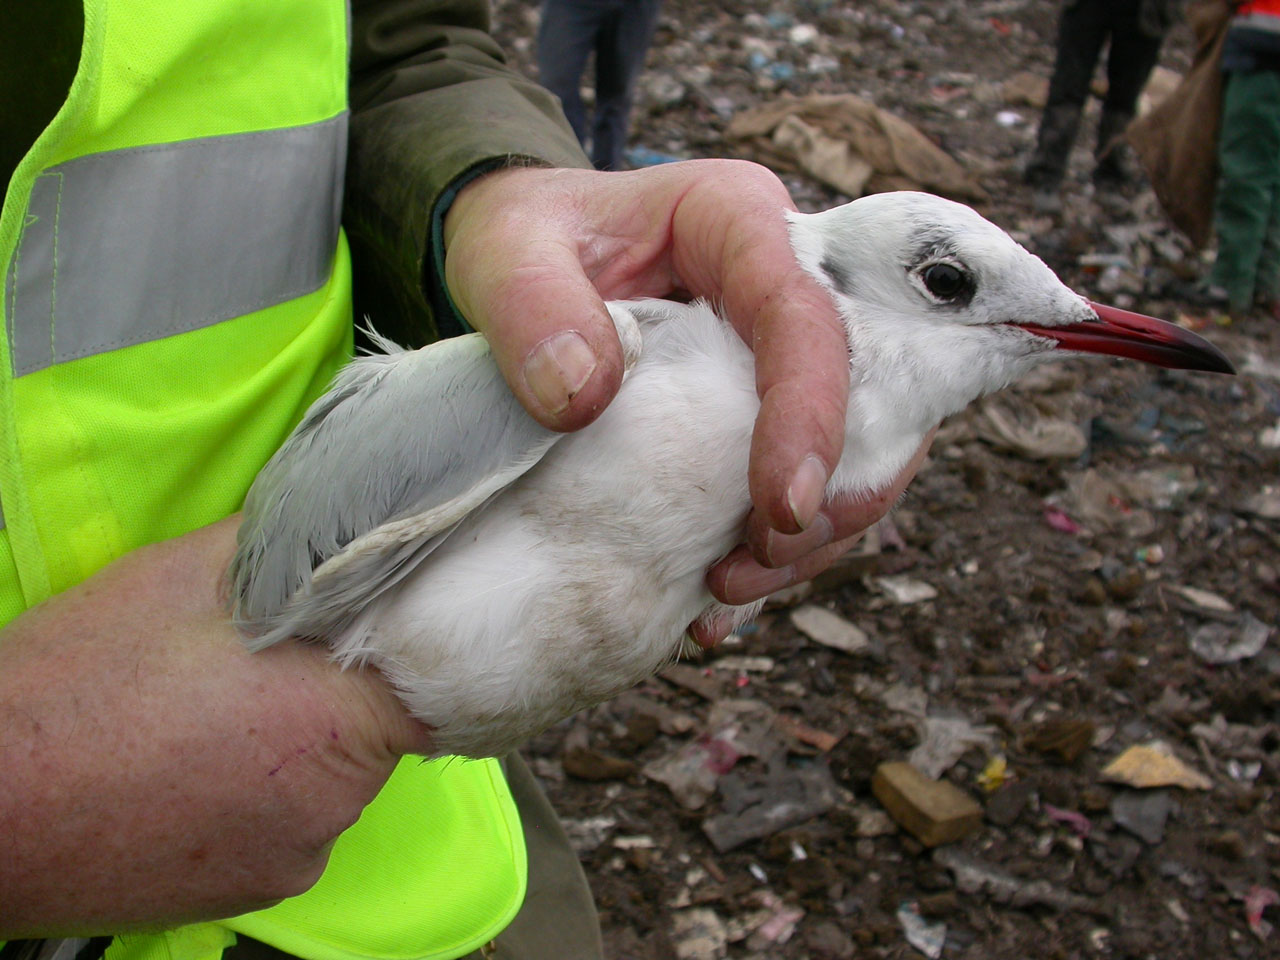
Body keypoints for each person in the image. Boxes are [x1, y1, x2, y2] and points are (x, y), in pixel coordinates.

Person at [0, 1, 928, 958]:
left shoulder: (682, 361)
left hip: (398, 853)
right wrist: (22, 808)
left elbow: (408, 44)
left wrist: (492, 194)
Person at [1024, 0, 1179, 209]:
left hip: (1146, 9)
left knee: (1125, 96)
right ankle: (1047, 173)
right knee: (1069, 87)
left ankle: (1111, 175)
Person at [1198, 0, 1280, 318]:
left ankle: (1231, 285)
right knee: (1272, 176)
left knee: (1248, 172)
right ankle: (1265, 285)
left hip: (1263, 52)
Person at [535, 0, 663, 171]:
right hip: (568, 5)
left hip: (634, 7)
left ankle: (608, 179)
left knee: (617, 96)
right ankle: (568, 173)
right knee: (557, 92)